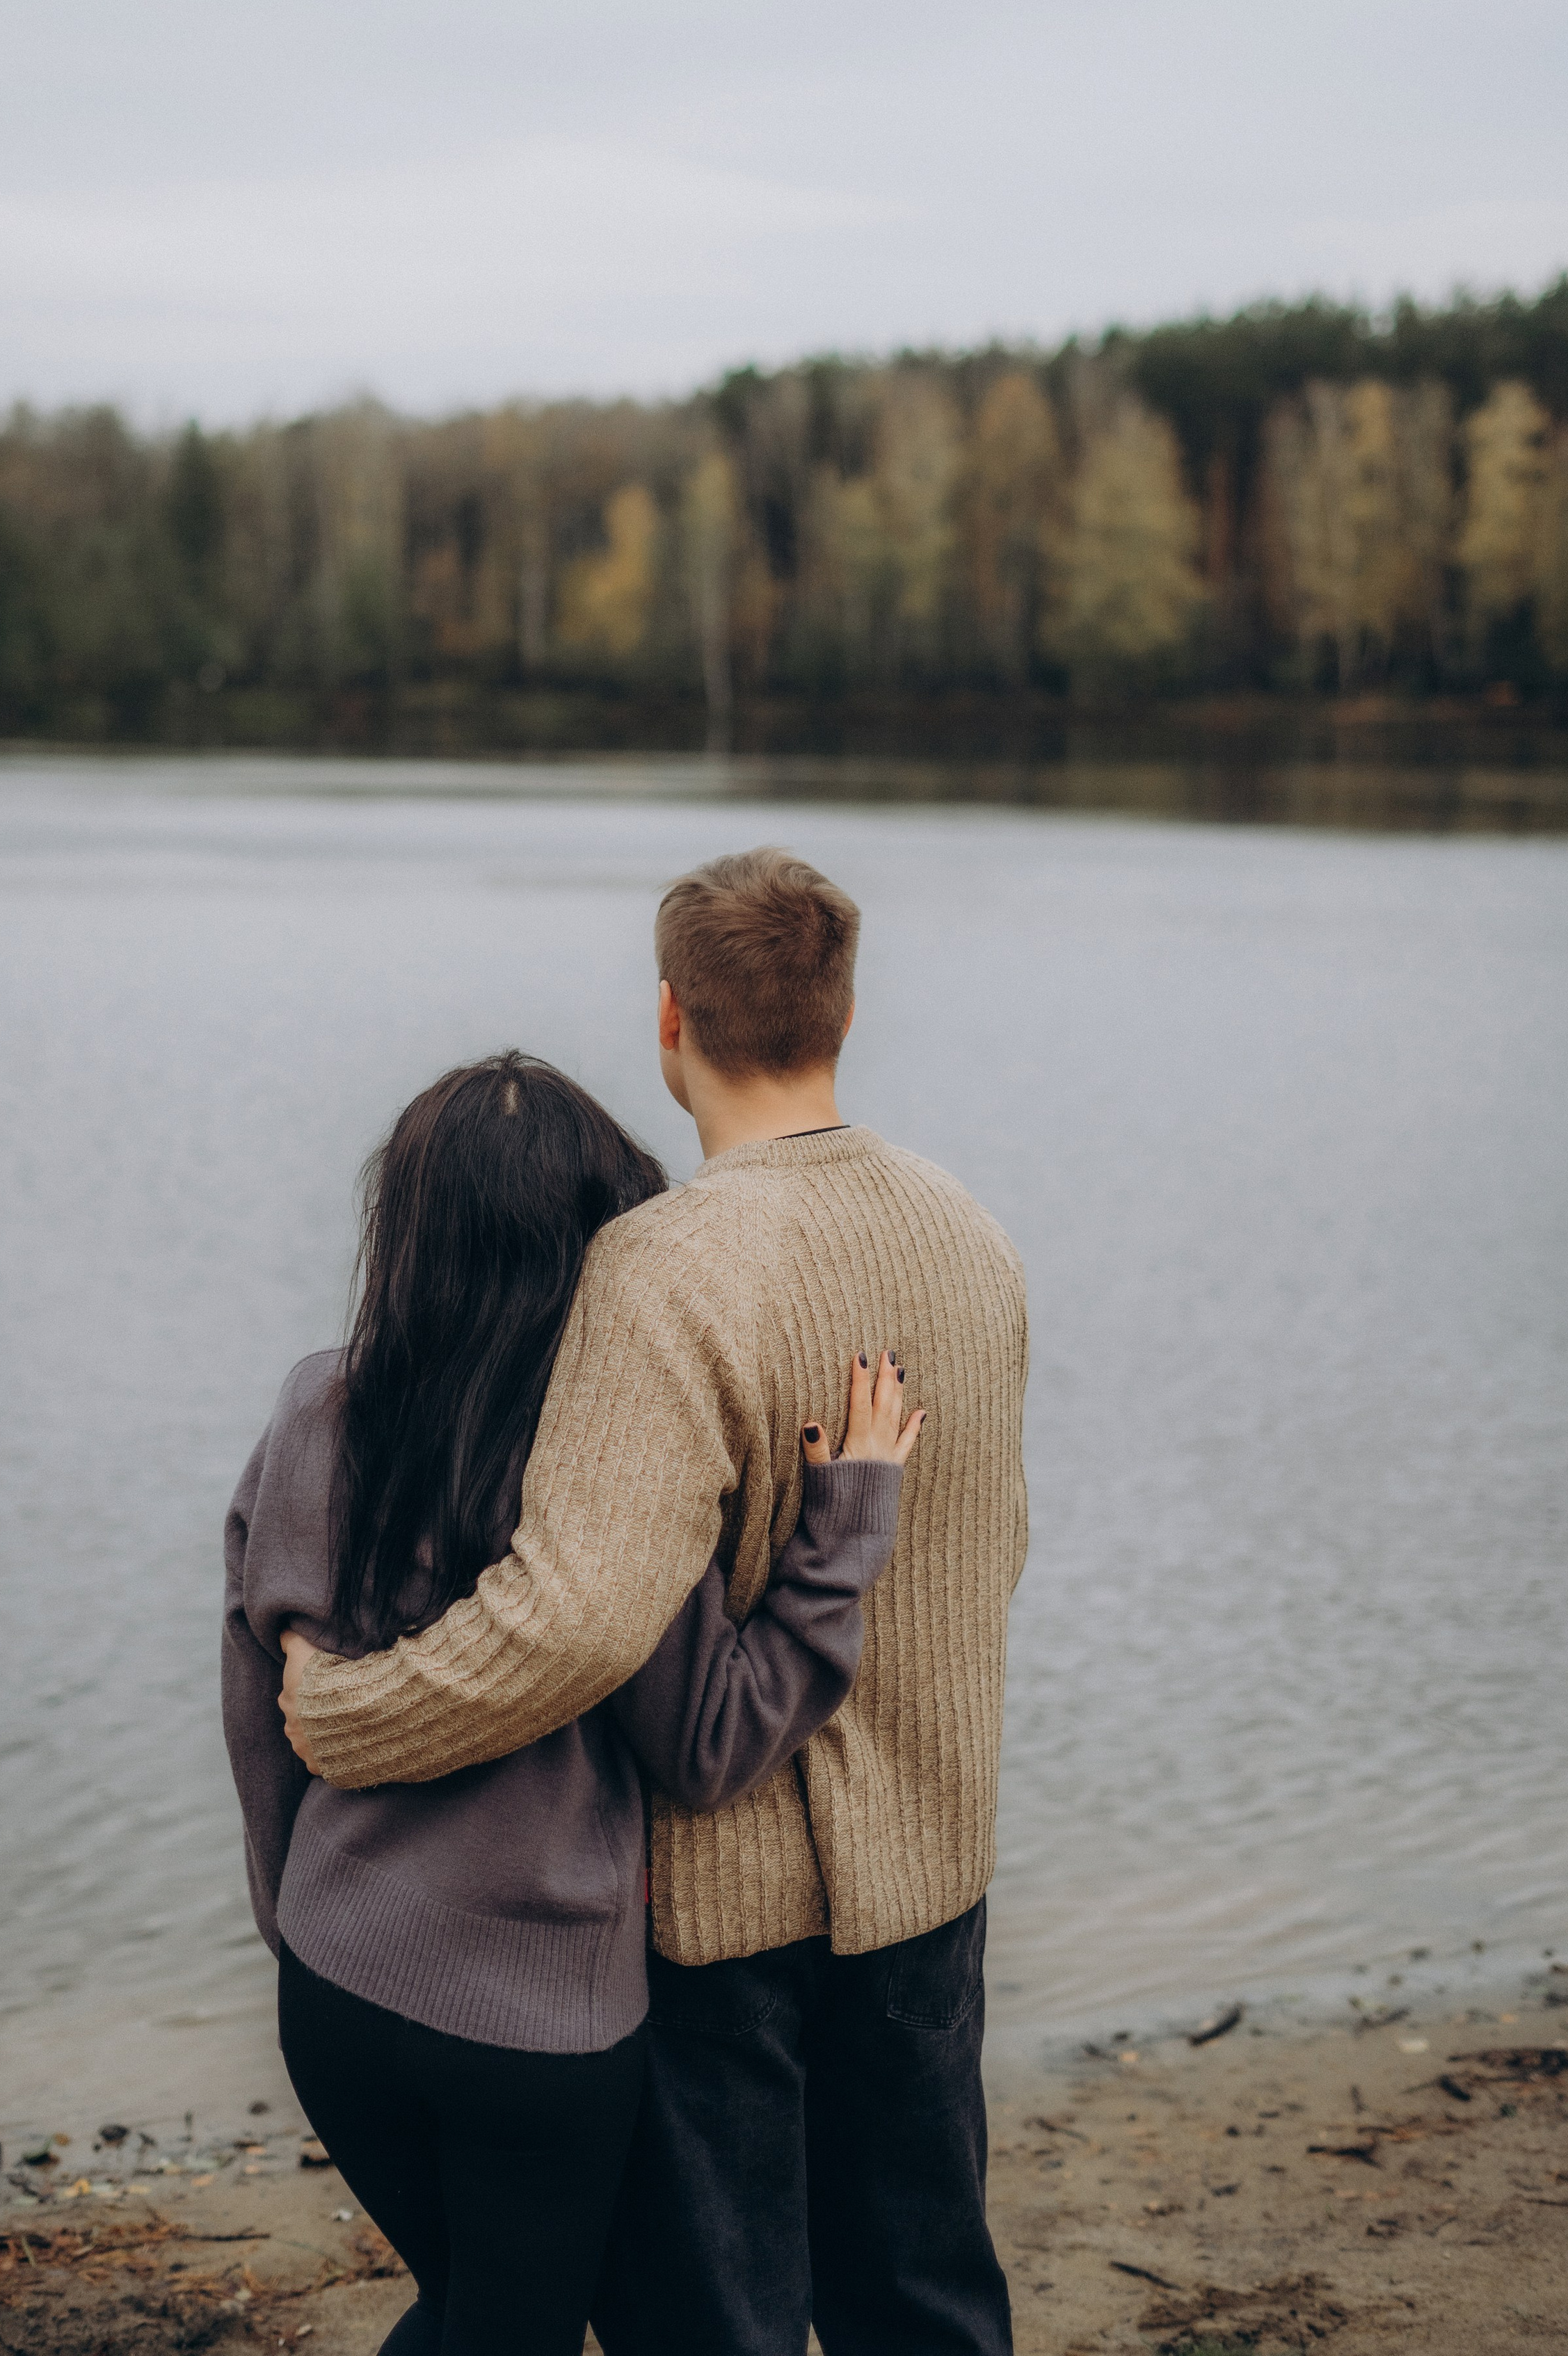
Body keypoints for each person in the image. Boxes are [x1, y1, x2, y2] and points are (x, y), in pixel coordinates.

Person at [283, 847, 1029, 2356]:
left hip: (732, 1912)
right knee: (924, 2295)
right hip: (932, 1868)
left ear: (671, 1018)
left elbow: (571, 1623)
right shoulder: (969, 1229)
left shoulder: (660, 1267)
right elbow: (992, 1539)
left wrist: (348, 1718)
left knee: (719, 2323)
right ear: (845, 1010)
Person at [223, 1049, 920, 2356]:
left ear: (406, 1228)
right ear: (607, 1242)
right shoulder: (605, 1468)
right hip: (534, 2026)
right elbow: (712, 1742)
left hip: (332, 1980)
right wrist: (843, 1533)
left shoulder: (318, 1399)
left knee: (461, 2311)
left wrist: (294, 1914)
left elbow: (257, 1704)